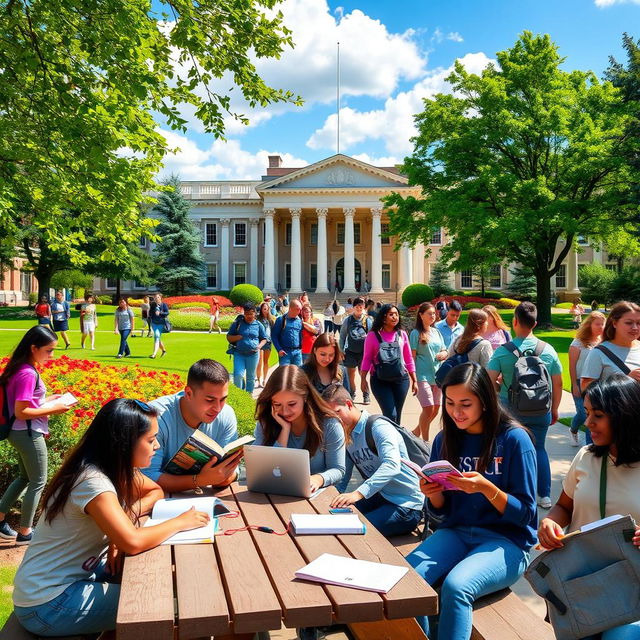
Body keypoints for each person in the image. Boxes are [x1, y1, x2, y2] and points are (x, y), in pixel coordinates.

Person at [11, 398, 210, 636]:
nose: (156, 446)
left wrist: (121, 522)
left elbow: (154, 491)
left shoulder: (110, 467)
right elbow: (133, 542)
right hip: (48, 604)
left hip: (69, 583)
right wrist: (180, 522)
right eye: (150, 440)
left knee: (157, 582)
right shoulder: (93, 482)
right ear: (124, 443)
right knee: (166, 604)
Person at [406, 363, 537, 640]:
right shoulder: (444, 439)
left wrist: (488, 489)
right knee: (408, 579)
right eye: (450, 403)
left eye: (465, 404)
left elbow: (526, 514)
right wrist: (434, 494)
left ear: (485, 402)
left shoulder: (514, 440)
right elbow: (440, 515)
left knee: (457, 586)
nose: (456, 412)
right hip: (457, 532)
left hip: (506, 542)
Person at [537, 374, 640, 640]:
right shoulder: (586, 457)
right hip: (582, 586)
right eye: (586, 412)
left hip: (632, 588)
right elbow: (563, 506)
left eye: (598, 415)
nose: (587, 423)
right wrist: (550, 522)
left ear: (625, 415)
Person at [487, 301, 563, 509]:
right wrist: (554, 408)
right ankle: (544, 495)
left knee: (508, 450)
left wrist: (499, 383)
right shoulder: (548, 350)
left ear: (515, 321)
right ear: (535, 323)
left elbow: (486, 380)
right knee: (539, 449)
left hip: (510, 412)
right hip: (540, 409)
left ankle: (511, 492)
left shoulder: (503, 352)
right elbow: (557, 382)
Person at [0, 326, 71, 545]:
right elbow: (22, 412)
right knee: (38, 481)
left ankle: (1, 519)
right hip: (28, 433)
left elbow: (21, 404)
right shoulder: (28, 373)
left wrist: (48, 399)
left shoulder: (20, 368)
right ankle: (25, 533)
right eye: (49, 351)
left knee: (24, 477)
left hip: (17, 431)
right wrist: (55, 409)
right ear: (34, 348)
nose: (52, 355)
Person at [323, 384, 424, 536]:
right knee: (331, 518)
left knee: (352, 531)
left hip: (406, 505)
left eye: (337, 412)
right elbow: (343, 475)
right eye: (329, 417)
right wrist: (331, 497)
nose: (334, 420)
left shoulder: (378, 427)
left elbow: (391, 465)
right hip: (380, 497)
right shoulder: (346, 432)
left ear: (349, 404)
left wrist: (358, 493)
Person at [143, 359, 241, 492]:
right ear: (188, 393)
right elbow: (147, 477)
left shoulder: (226, 414)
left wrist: (223, 476)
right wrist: (201, 480)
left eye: (223, 399)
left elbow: (231, 471)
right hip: (161, 500)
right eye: (210, 400)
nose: (218, 408)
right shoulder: (156, 416)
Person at [254, 365, 345, 492]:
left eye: (292, 404)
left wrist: (317, 479)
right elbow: (260, 469)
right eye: (277, 404)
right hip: (272, 494)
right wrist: (284, 432)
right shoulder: (266, 423)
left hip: (315, 497)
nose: (285, 411)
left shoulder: (330, 424)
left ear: (305, 397)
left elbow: (338, 469)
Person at [360, 303, 417, 424]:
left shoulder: (402, 334)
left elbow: (408, 357)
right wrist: (363, 378)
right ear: (383, 317)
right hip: (379, 380)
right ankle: (388, 438)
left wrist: (414, 379)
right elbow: (367, 358)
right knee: (390, 414)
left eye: (396, 314)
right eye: (391, 314)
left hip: (401, 379)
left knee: (397, 415)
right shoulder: (372, 335)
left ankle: (396, 440)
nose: (395, 317)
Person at [581, 300, 640, 390]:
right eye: (629, 323)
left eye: (639, 323)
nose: (635, 327)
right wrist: (626, 381)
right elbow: (585, 387)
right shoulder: (598, 353)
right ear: (614, 323)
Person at [410, 302, 448, 441]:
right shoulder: (416, 333)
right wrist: (413, 379)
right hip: (422, 375)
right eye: (429, 313)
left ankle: (416, 432)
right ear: (421, 315)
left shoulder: (436, 331)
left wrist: (444, 354)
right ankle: (425, 442)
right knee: (428, 408)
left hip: (438, 376)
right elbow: (412, 357)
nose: (433, 316)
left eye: (434, 313)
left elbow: (444, 349)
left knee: (436, 408)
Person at [568, 311, 605, 447]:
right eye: (597, 324)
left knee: (593, 413)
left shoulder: (603, 342)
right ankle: (573, 429)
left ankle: (591, 445)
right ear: (589, 325)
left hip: (597, 383)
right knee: (583, 414)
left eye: (602, 324)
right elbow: (572, 366)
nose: (600, 327)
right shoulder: (577, 343)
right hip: (579, 381)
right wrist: (574, 385)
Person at [226, 302, 267, 394]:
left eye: (251, 313)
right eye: (246, 314)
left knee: (250, 377)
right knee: (238, 375)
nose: (249, 316)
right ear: (244, 313)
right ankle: (239, 395)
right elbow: (229, 337)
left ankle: (249, 396)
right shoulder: (238, 323)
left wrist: (259, 346)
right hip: (239, 354)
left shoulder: (258, 325)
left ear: (255, 313)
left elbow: (264, 339)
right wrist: (237, 337)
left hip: (253, 355)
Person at [339, 296, 373, 404]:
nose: (359, 307)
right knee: (350, 376)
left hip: (364, 353)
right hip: (350, 352)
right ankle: (352, 392)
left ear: (364, 307)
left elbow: (372, 337)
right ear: (353, 307)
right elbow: (342, 336)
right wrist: (341, 350)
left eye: (361, 305)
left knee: (363, 375)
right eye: (357, 305)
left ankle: (366, 394)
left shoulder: (367, 320)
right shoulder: (348, 320)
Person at [271, 299, 304, 366]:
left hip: (297, 353)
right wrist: (279, 349)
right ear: (291, 309)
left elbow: (300, 335)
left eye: (300, 309)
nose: (299, 312)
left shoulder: (299, 321)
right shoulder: (281, 320)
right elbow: (274, 336)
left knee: (298, 374)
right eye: (297, 309)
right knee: (285, 374)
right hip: (285, 353)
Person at [256, 301, 275, 388]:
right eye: (264, 309)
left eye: (267, 309)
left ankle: (264, 380)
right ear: (261, 309)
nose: (265, 311)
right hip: (260, 342)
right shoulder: (258, 319)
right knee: (259, 362)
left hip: (268, 342)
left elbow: (273, 331)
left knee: (266, 362)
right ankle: (259, 380)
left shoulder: (270, 320)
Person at [149, 292, 169, 359]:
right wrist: (152, 315)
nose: (156, 298)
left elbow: (167, 313)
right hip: (154, 323)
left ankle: (154, 354)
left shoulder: (164, 305)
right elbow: (150, 313)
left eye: (158, 297)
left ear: (160, 298)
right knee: (157, 337)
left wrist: (160, 313)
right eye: (155, 297)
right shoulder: (153, 305)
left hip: (161, 324)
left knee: (157, 336)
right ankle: (163, 350)